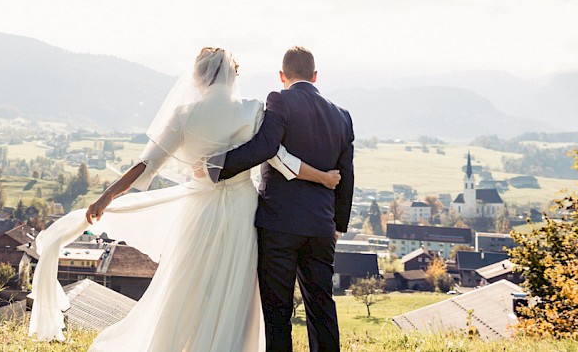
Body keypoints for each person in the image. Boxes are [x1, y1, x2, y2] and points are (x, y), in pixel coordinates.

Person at [29, 47, 340, 351]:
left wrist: (105, 198)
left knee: (188, 285)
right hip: (243, 211)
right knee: (235, 288)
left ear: (198, 77)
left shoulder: (184, 115)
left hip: (199, 211)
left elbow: (145, 165)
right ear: (234, 74)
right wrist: (324, 177)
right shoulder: (252, 109)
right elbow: (279, 158)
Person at [208, 46, 355, 352]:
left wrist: (217, 166)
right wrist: (337, 225)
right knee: (322, 308)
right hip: (321, 227)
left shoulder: (279, 99)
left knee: (278, 313)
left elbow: (264, 147)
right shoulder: (342, 116)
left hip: (279, 225)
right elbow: (347, 176)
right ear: (315, 76)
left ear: (282, 75)